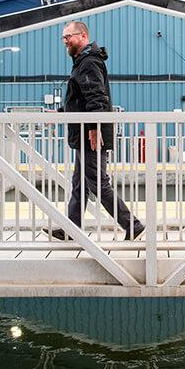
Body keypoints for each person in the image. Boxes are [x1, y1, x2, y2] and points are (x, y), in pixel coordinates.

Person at [45, 21, 144, 241]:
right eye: (63, 38)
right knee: (79, 183)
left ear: (82, 36)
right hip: (85, 132)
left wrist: (93, 128)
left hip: (90, 135)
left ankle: (132, 224)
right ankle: (72, 229)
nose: (65, 41)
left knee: (97, 183)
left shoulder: (88, 62)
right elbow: (82, 100)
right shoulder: (83, 62)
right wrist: (61, 112)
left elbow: (97, 96)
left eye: (67, 37)